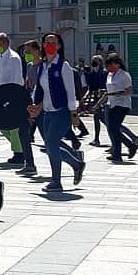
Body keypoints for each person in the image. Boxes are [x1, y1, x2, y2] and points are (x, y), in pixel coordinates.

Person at [28, 33, 86, 192]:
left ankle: (56, 181)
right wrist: (35, 107)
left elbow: (71, 91)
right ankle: (76, 164)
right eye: (47, 42)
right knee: (49, 144)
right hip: (47, 112)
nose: (50, 45)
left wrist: (74, 114)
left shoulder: (63, 66)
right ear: (43, 45)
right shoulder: (42, 66)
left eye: (54, 42)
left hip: (61, 112)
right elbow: (39, 90)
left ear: (59, 46)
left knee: (52, 143)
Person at [0, 33, 32, 168]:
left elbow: (16, 78)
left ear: (6, 43)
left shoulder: (14, 58)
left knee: (13, 125)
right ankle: (19, 150)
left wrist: (13, 97)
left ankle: (19, 154)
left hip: (12, 94)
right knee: (0, 124)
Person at [100, 54, 138, 161]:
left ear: (117, 64)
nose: (109, 68)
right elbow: (108, 90)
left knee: (114, 128)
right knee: (112, 129)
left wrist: (118, 93)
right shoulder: (109, 75)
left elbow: (129, 91)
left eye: (111, 65)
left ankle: (125, 148)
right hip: (111, 104)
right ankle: (122, 150)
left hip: (122, 104)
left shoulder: (124, 75)